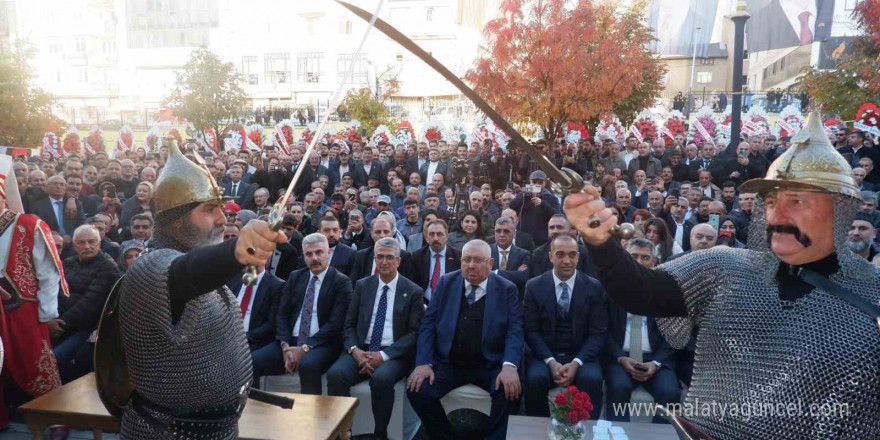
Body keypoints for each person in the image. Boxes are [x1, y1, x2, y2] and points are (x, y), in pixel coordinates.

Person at [563, 113, 880, 438]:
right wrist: (599, 239)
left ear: (837, 209)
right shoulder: (725, 269)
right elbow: (638, 291)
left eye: (796, 201)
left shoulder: (873, 296)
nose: (778, 214)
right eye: (771, 201)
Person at [97, 141, 287, 439]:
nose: (223, 219)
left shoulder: (202, 268)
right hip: (167, 431)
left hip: (219, 429)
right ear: (176, 222)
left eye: (221, 209)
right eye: (210, 209)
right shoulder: (151, 270)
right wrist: (235, 251)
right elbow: (186, 273)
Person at [406, 240, 523, 440]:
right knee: (417, 390)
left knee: (510, 392)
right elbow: (428, 324)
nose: (471, 265)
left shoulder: (507, 288)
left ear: (491, 262)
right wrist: (424, 363)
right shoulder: (446, 282)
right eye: (466, 259)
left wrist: (509, 366)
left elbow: (515, 330)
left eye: (478, 260)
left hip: (489, 364)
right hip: (450, 363)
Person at [326, 238, 425, 440]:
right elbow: (349, 324)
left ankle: (380, 433)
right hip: (361, 349)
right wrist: (355, 351)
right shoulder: (363, 285)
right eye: (379, 257)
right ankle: (344, 431)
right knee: (336, 374)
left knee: (382, 379)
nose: (384, 262)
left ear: (398, 261)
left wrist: (384, 356)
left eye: (389, 257)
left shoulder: (413, 291)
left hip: (393, 353)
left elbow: (414, 333)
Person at [0, 155, 68, 431]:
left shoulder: (29, 225)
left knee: (37, 365)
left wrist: (48, 315)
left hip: (24, 310)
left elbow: (49, 275)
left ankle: (57, 419)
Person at [522, 235, 607, 418]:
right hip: (545, 354)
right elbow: (531, 331)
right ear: (551, 257)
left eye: (572, 255)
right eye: (560, 254)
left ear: (578, 257)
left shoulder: (594, 287)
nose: (566, 260)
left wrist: (576, 363)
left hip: (581, 354)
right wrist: (551, 362)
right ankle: (539, 431)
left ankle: (586, 431)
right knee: (535, 378)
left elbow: (597, 333)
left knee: (592, 378)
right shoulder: (534, 286)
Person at [602, 238, 681, 423]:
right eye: (633, 256)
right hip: (621, 357)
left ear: (655, 262)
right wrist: (621, 358)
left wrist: (656, 363)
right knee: (618, 387)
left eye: (645, 257)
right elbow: (602, 331)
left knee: (669, 392)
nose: (638, 262)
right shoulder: (609, 289)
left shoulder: (667, 292)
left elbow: (674, 334)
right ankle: (618, 435)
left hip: (655, 359)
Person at [271, 233, 353, 394]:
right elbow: (282, 314)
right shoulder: (295, 277)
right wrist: (285, 347)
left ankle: (311, 418)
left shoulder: (341, 282)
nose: (314, 258)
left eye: (319, 252)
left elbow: (335, 324)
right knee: (253, 360)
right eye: (309, 254)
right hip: (290, 342)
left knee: (308, 364)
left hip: (322, 343)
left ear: (328, 253)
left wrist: (305, 348)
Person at [53, 225, 120, 383]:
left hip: (86, 328)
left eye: (92, 242)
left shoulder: (107, 267)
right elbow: (56, 292)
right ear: (75, 245)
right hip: (57, 322)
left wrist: (61, 324)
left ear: (99, 243)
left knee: (55, 359)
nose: (87, 246)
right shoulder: (69, 263)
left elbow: (90, 303)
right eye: (82, 243)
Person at [529, 214, 596, 277]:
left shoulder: (584, 252)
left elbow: (589, 281)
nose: (555, 231)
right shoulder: (538, 253)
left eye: (559, 227)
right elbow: (538, 282)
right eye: (551, 228)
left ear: (569, 230)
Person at [411, 219, 461, 302]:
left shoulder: (458, 257)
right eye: (432, 234)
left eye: (439, 234)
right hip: (424, 304)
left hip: (449, 302)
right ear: (426, 237)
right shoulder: (417, 257)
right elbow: (413, 285)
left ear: (447, 236)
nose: (435, 238)